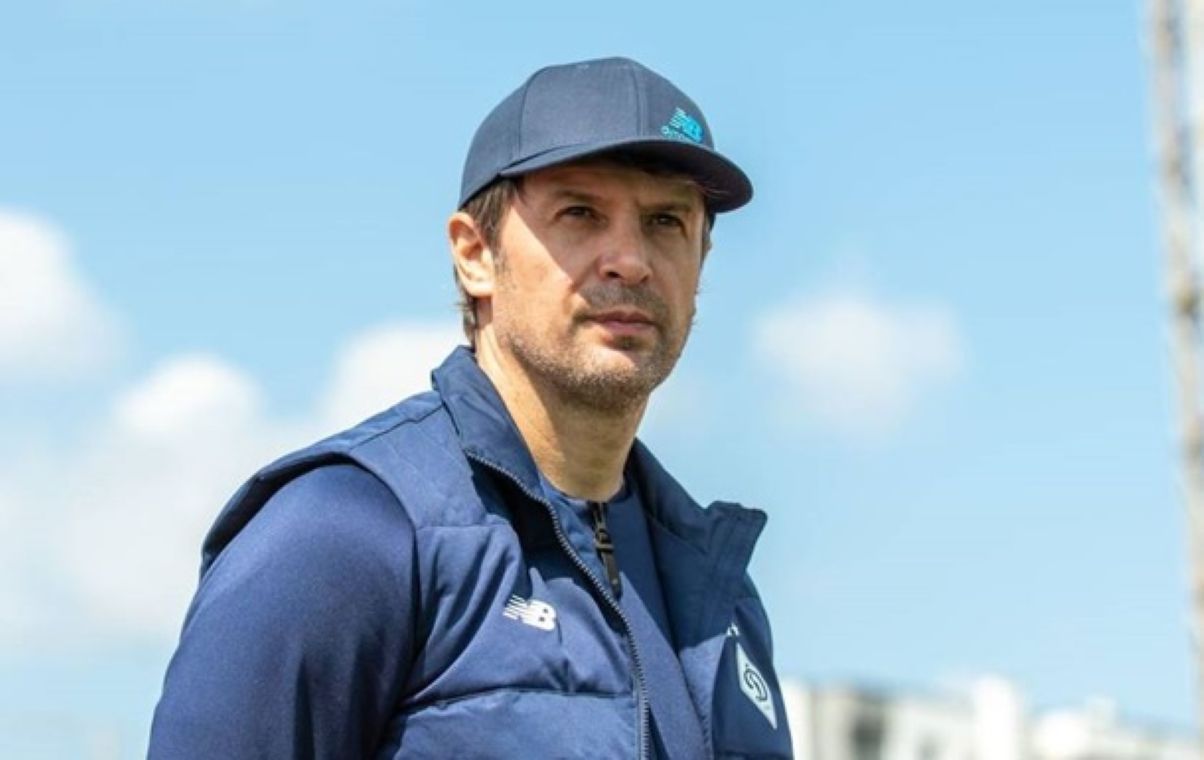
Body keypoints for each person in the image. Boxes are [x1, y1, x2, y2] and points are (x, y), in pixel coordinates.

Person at [149, 56, 793, 759]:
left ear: (702, 260)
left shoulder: (721, 596)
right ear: (475, 253)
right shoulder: (344, 532)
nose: (631, 260)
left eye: (666, 221)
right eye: (580, 213)